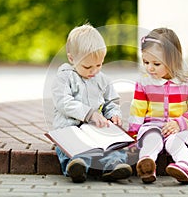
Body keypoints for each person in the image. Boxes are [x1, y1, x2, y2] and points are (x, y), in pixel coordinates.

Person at [51, 23, 132, 183]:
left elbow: (111, 101)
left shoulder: (102, 79)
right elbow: (63, 101)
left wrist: (114, 114)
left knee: (111, 146)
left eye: (99, 65)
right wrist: (89, 113)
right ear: (71, 58)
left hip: (94, 128)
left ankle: (114, 165)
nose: (93, 71)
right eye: (87, 66)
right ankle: (75, 167)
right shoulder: (64, 77)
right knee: (70, 147)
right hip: (69, 127)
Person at [128, 28, 188, 184]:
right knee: (151, 139)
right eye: (146, 62)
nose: (150, 68)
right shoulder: (144, 82)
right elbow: (137, 110)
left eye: (156, 63)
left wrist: (179, 123)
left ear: (173, 60)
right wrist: (133, 136)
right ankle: (147, 165)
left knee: (176, 142)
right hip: (152, 126)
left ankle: (184, 166)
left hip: (176, 129)